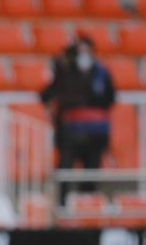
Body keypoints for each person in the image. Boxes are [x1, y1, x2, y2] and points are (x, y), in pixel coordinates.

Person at [40, 34, 116, 203]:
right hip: (69, 132)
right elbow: (47, 94)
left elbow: (109, 99)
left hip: (95, 133)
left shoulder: (101, 73)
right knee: (65, 170)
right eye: (78, 51)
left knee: (91, 171)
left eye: (85, 50)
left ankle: (86, 205)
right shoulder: (66, 72)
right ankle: (62, 205)